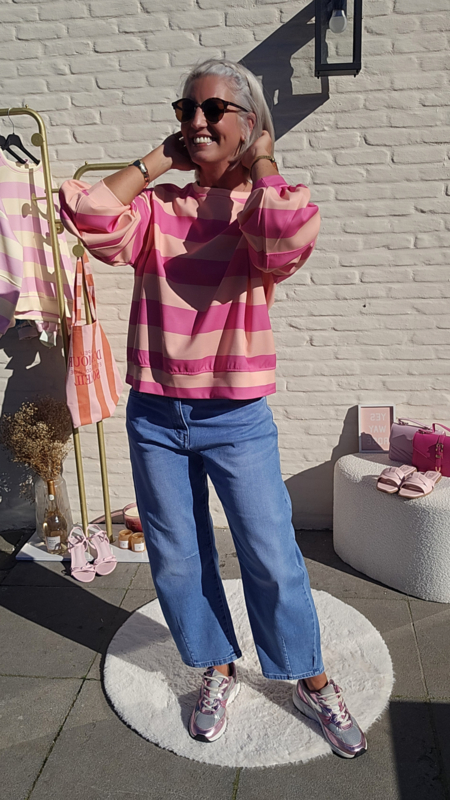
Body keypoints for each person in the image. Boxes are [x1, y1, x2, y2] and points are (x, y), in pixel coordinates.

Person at [60, 58, 367, 759]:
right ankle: (217, 667)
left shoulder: (259, 209)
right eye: (186, 109)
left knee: (271, 553)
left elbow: (289, 229)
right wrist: (157, 159)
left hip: (235, 417)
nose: (196, 120)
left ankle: (311, 679)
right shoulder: (158, 209)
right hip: (156, 414)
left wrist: (262, 159)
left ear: (249, 123)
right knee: (176, 556)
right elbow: (89, 214)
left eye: (214, 110)